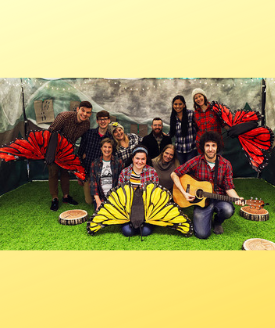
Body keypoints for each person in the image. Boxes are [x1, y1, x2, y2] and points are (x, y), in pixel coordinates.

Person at [171, 131, 243, 239]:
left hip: (218, 198)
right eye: (207, 145)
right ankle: (206, 217)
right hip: (202, 202)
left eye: (213, 145)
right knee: (202, 234)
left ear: (217, 146)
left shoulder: (225, 164)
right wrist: (184, 193)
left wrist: (237, 198)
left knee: (228, 210)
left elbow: (229, 187)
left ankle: (217, 222)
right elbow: (174, 174)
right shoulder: (196, 161)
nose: (210, 149)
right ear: (203, 147)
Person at [48, 100, 92, 211]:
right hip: (54, 149)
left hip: (68, 150)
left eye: (88, 112)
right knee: (53, 173)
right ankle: (55, 199)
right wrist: (51, 153)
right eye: (83, 110)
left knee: (65, 172)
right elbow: (50, 133)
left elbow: (84, 140)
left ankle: (66, 196)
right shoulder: (64, 117)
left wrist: (83, 153)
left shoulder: (86, 123)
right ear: (78, 109)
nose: (85, 114)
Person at [118, 145, 159, 236]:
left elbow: (155, 194)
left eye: (143, 159)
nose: (140, 162)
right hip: (129, 209)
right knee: (128, 232)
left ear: (146, 159)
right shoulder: (124, 172)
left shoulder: (152, 172)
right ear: (132, 158)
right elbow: (120, 194)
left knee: (145, 232)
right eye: (137, 158)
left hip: (146, 209)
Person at [78, 110, 112, 204]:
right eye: (100, 119)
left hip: (103, 173)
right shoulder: (88, 134)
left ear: (109, 120)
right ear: (97, 121)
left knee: (105, 199)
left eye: (105, 119)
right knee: (89, 201)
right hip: (88, 172)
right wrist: (80, 175)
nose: (103, 121)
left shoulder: (111, 138)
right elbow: (80, 153)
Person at [90, 138, 124, 211]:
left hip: (115, 197)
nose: (107, 149)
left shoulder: (118, 162)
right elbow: (93, 184)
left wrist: (116, 199)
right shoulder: (95, 163)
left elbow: (121, 182)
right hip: (101, 197)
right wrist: (98, 202)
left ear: (112, 149)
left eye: (109, 147)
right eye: (105, 147)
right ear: (101, 148)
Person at [192, 88, 226, 153]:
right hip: (202, 147)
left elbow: (223, 123)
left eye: (200, 96)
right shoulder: (195, 113)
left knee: (217, 163)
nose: (198, 99)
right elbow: (196, 129)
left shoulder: (215, 108)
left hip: (216, 145)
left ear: (204, 97)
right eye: (196, 98)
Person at [169, 95, 197, 165]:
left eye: (180, 104)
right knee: (181, 171)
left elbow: (198, 127)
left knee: (190, 171)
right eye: (175, 104)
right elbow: (172, 132)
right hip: (179, 150)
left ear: (184, 105)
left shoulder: (191, 114)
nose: (178, 106)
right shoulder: (173, 117)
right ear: (173, 105)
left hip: (191, 149)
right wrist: (164, 135)